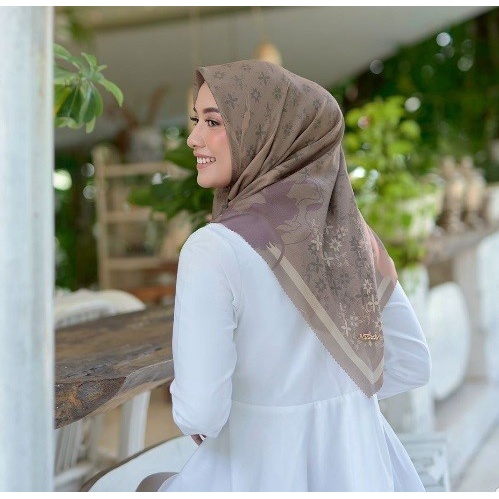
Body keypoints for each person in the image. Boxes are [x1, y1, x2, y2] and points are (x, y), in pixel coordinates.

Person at [137, 59, 431, 492]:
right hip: (362, 473)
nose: (193, 138)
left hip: (255, 473)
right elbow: (411, 364)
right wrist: (330, 410)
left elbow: (201, 414)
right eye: (196, 121)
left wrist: (272, 414)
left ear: (267, 132)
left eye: (213, 122)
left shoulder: (213, 249)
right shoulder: (351, 239)